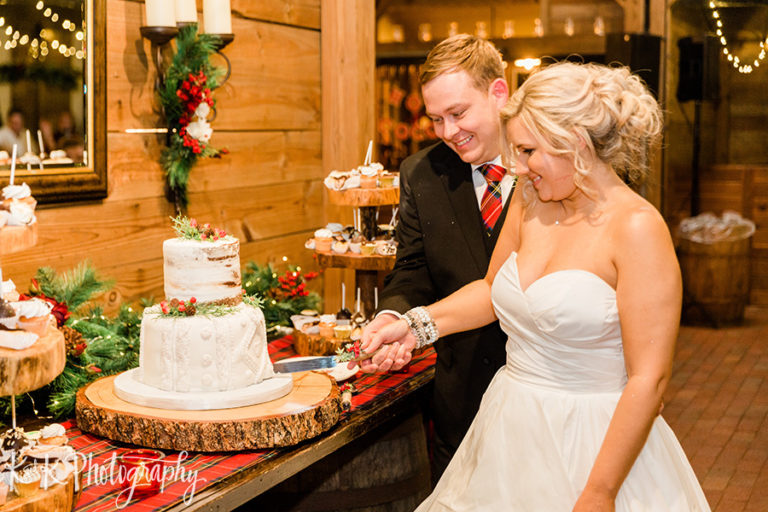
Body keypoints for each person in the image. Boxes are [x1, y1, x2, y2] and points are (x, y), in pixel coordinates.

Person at [359, 61, 710, 511]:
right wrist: (415, 326)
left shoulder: (638, 229)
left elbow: (649, 379)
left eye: (527, 151)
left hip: (592, 443)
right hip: (510, 428)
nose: (517, 168)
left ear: (575, 144)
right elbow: (491, 291)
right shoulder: (530, 202)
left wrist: (600, 493)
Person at [366, 34, 514, 483]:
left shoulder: (547, 166)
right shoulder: (421, 173)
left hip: (542, 392)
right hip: (461, 399)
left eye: (459, 113)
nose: (449, 132)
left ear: (499, 93)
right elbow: (413, 268)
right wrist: (391, 315)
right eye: (436, 119)